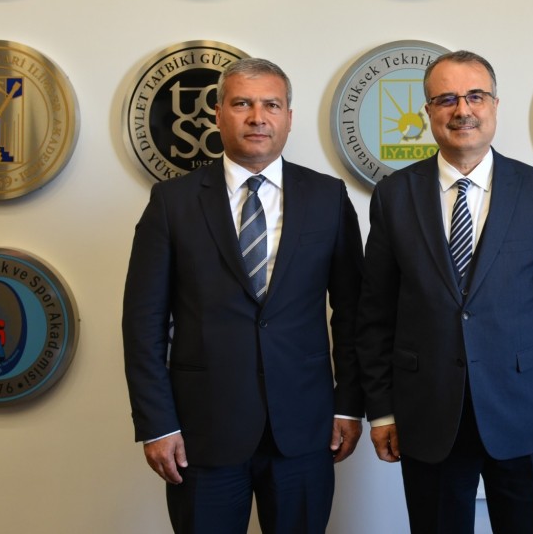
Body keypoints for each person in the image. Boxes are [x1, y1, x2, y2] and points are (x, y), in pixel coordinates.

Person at [122, 58, 364, 534]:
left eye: (271, 105)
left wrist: (348, 405)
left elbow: (353, 314)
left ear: (289, 117)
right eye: (242, 104)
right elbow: (142, 323)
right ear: (218, 114)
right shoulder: (172, 203)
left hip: (305, 430)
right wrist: (157, 423)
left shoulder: (329, 198)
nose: (258, 117)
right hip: (202, 433)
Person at [357, 50, 533, 534]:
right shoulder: (393, 196)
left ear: (495, 105)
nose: (462, 110)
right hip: (428, 416)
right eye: (446, 99)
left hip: (524, 413)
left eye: (475, 96)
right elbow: (375, 316)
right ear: (428, 112)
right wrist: (381, 411)